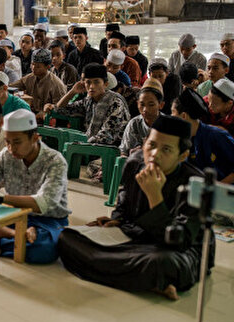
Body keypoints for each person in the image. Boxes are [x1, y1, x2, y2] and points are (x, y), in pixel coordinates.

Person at [58, 115, 210, 301]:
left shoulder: (196, 184)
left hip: (175, 249)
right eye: (151, 145)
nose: (154, 154)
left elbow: (181, 241)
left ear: (182, 156)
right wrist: (116, 220)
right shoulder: (135, 163)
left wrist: (155, 196)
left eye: (166, 149)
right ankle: (151, 282)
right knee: (67, 237)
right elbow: (123, 206)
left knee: (162, 263)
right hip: (136, 237)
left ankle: (150, 277)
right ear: (144, 142)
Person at [0, 109, 70, 264]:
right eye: (7, 142)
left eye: (17, 142)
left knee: (44, 249)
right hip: (13, 214)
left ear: (35, 138)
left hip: (48, 220)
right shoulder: (7, 154)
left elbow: (43, 203)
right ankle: (14, 235)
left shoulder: (55, 161)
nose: (11, 148)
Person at [46, 63, 130, 145]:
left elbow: (107, 136)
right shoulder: (89, 101)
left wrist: (80, 144)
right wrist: (72, 92)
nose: (91, 86)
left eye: (96, 82)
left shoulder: (115, 103)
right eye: (88, 82)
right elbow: (60, 109)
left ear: (105, 84)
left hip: (112, 150)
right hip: (91, 145)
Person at [172, 88, 234, 183]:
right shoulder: (186, 140)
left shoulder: (217, 135)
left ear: (184, 116)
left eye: (173, 113)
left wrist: (216, 188)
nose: (171, 118)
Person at [10, 48, 67, 121]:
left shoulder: (56, 84)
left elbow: (60, 107)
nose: (33, 68)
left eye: (38, 66)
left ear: (48, 67)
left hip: (49, 120)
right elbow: (12, 86)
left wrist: (45, 113)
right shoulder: (30, 77)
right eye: (32, 64)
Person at [120, 79, 165, 155]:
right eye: (142, 104)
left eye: (151, 105)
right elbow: (124, 152)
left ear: (161, 105)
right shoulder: (134, 124)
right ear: (137, 104)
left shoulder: (168, 124)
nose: (145, 109)